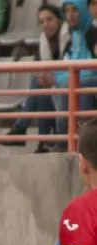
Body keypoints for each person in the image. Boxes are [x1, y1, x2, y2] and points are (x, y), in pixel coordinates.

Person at [0, 5, 66, 150]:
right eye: (42, 22)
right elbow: (40, 70)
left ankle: (23, 130)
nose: (46, 25)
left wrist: (50, 77)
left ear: (60, 19)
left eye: (50, 19)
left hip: (69, 82)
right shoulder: (43, 41)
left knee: (39, 84)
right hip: (55, 85)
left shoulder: (69, 36)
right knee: (40, 84)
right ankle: (42, 141)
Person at [38, 0, 97, 150]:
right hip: (83, 76)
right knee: (43, 83)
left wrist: (57, 78)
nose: (70, 15)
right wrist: (54, 77)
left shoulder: (91, 32)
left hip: (90, 78)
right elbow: (71, 63)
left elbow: (89, 68)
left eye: (75, 10)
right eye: (67, 11)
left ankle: (68, 141)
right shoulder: (76, 34)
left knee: (71, 85)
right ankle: (50, 140)